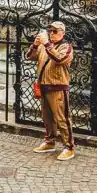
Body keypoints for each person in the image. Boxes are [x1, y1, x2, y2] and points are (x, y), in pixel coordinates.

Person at [27, 21, 75, 161]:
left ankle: (69, 147)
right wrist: (35, 45)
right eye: (50, 31)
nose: (52, 34)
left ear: (63, 33)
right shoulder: (44, 46)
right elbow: (29, 56)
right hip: (44, 86)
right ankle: (49, 141)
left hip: (58, 87)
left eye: (55, 31)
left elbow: (60, 59)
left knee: (62, 119)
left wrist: (47, 44)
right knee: (47, 118)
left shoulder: (66, 47)